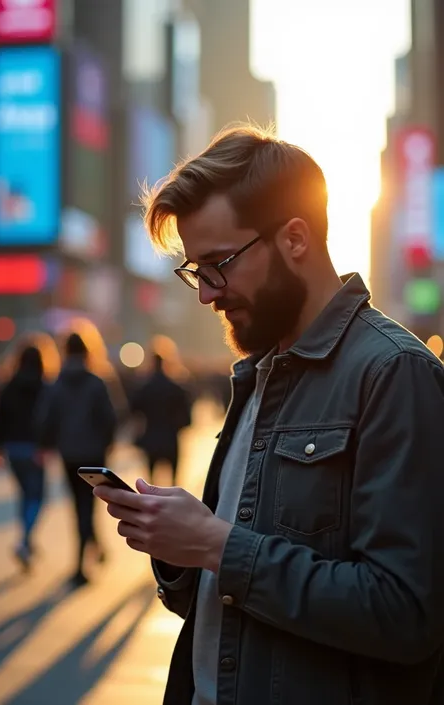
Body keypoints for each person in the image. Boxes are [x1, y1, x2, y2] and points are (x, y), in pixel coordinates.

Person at [93, 125, 444, 705]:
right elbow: (234, 601)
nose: (207, 293)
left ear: (296, 239)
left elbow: (404, 613)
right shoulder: (257, 375)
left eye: (218, 263)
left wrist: (214, 545)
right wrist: (180, 549)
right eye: (195, 272)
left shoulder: (393, 375)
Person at [37, 333, 117, 587]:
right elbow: (111, 418)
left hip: (69, 454)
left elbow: (46, 419)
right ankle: (85, 560)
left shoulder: (57, 383)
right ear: (87, 352)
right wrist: (105, 443)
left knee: (78, 506)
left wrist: (47, 444)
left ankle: (83, 560)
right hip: (93, 454)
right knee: (88, 505)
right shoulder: (96, 382)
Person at [0, 345, 47, 570]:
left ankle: (27, 538)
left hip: (13, 448)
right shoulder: (44, 386)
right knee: (38, 496)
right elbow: (48, 419)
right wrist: (47, 445)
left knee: (25, 494)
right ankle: (24, 540)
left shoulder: (8, 386)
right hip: (35, 449)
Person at [131, 353, 192, 486]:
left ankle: (152, 505)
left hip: (151, 437)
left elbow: (133, 409)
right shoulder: (175, 387)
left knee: (151, 483)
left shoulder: (145, 387)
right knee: (173, 482)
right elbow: (187, 417)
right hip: (171, 438)